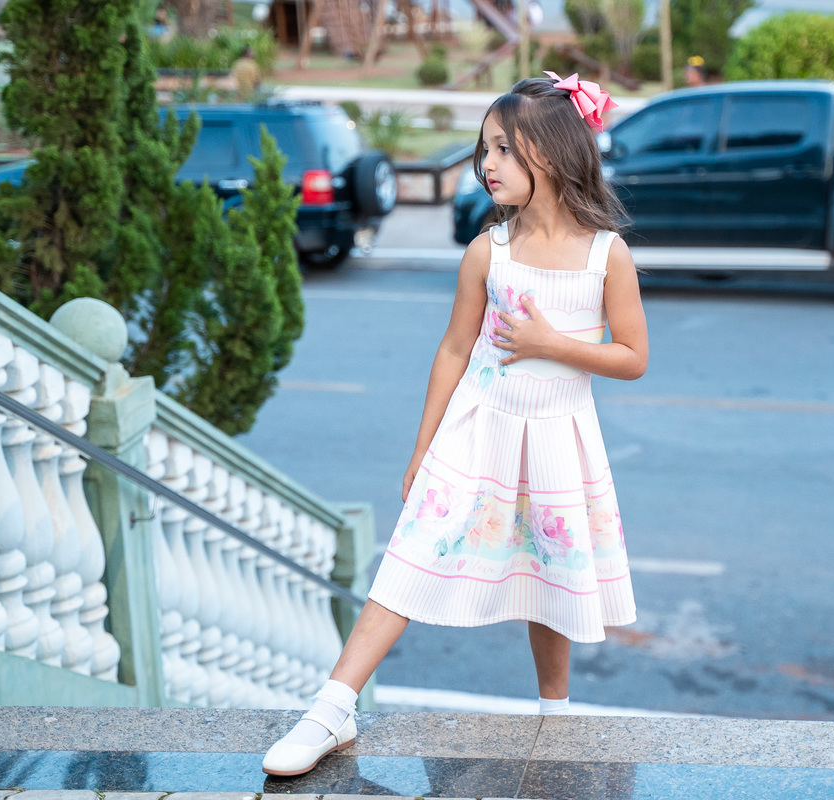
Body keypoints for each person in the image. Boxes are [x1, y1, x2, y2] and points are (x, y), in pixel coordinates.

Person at [262, 72, 648, 777]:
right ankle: (332, 709)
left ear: (551, 154)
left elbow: (633, 357)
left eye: (503, 149)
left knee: (549, 571)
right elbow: (453, 350)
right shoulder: (488, 250)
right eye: (485, 150)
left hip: (556, 436)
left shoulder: (605, 255)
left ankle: (555, 715)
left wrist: (552, 344)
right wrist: (424, 448)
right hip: (478, 428)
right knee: (408, 556)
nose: (486, 165)